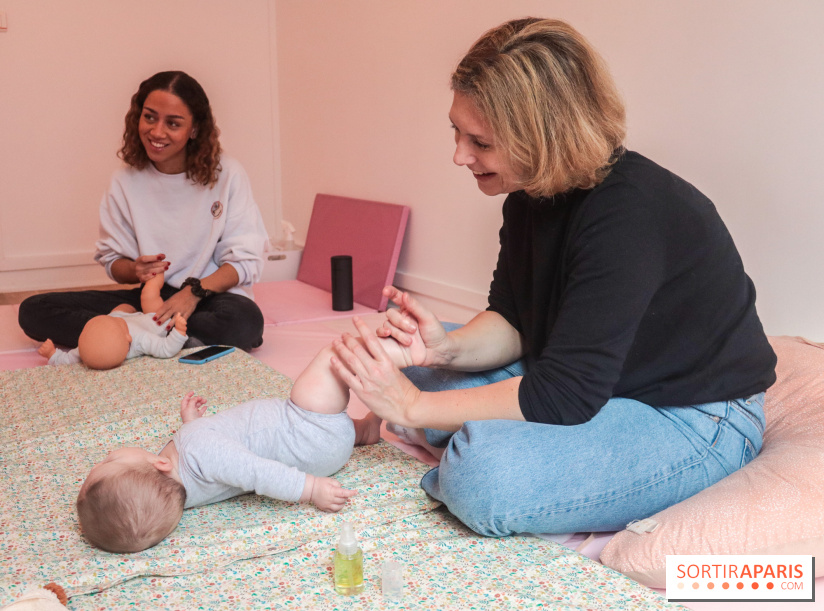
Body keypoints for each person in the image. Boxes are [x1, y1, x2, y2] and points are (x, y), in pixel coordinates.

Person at [329, 18, 777, 539]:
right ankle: (464, 437)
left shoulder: (629, 216)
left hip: (691, 416)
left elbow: (565, 393)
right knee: (400, 360)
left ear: (541, 136)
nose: (460, 155)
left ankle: (459, 453)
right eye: (456, 131)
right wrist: (443, 349)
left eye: (481, 142)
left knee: (484, 476)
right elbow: (515, 320)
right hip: (594, 383)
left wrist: (415, 408)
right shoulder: (528, 196)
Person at [75, 318, 423, 553]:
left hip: (323, 445)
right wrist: (311, 489)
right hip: (307, 429)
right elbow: (258, 472)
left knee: (344, 426)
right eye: (110, 459)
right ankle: (410, 352)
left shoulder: (183, 491)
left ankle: (363, 431)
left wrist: (192, 421)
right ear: (158, 463)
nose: (109, 453)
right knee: (335, 357)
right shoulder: (198, 449)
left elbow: (210, 459)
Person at [18, 70, 268, 352]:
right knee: (34, 310)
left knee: (244, 322)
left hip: (209, 297)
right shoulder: (125, 182)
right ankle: (155, 337)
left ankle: (130, 338)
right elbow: (114, 261)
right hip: (151, 301)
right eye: (149, 117)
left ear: (195, 129)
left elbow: (244, 261)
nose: (157, 132)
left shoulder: (228, 174)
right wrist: (136, 269)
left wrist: (193, 293)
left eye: (173, 123)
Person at [38, 272, 187, 369]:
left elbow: (68, 359)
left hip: (121, 315)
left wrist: (53, 355)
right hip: (154, 318)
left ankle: (123, 311)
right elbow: (165, 349)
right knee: (148, 295)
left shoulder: (87, 346)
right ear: (128, 338)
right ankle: (158, 276)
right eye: (116, 323)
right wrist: (179, 332)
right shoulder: (141, 340)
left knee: (120, 309)